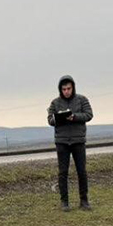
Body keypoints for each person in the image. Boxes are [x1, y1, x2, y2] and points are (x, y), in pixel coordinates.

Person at [46, 75, 94, 211]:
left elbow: (89, 115)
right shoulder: (55, 103)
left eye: (68, 88)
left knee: (82, 171)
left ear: (73, 88)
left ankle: (84, 201)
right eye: (64, 89)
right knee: (63, 172)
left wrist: (75, 117)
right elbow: (50, 120)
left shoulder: (82, 100)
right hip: (62, 142)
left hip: (78, 140)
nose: (66, 91)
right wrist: (59, 118)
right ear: (60, 90)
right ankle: (64, 202)